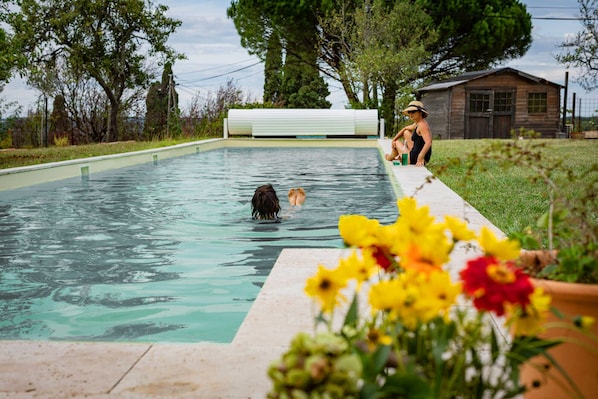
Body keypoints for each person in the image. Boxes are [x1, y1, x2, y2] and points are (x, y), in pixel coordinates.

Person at [385, 100, 432, 167]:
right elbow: (405, 128)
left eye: (413, 112)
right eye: (409, 112)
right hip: (414, 153)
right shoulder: (417, 123)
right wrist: (393, 139)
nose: (410, 114)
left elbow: (428, 142)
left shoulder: (422, 125)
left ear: (420, 112)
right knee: (406, 132)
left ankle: (391, 157)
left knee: (397, 143)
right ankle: (397, 157)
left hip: (414, 158)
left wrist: (420, 157)